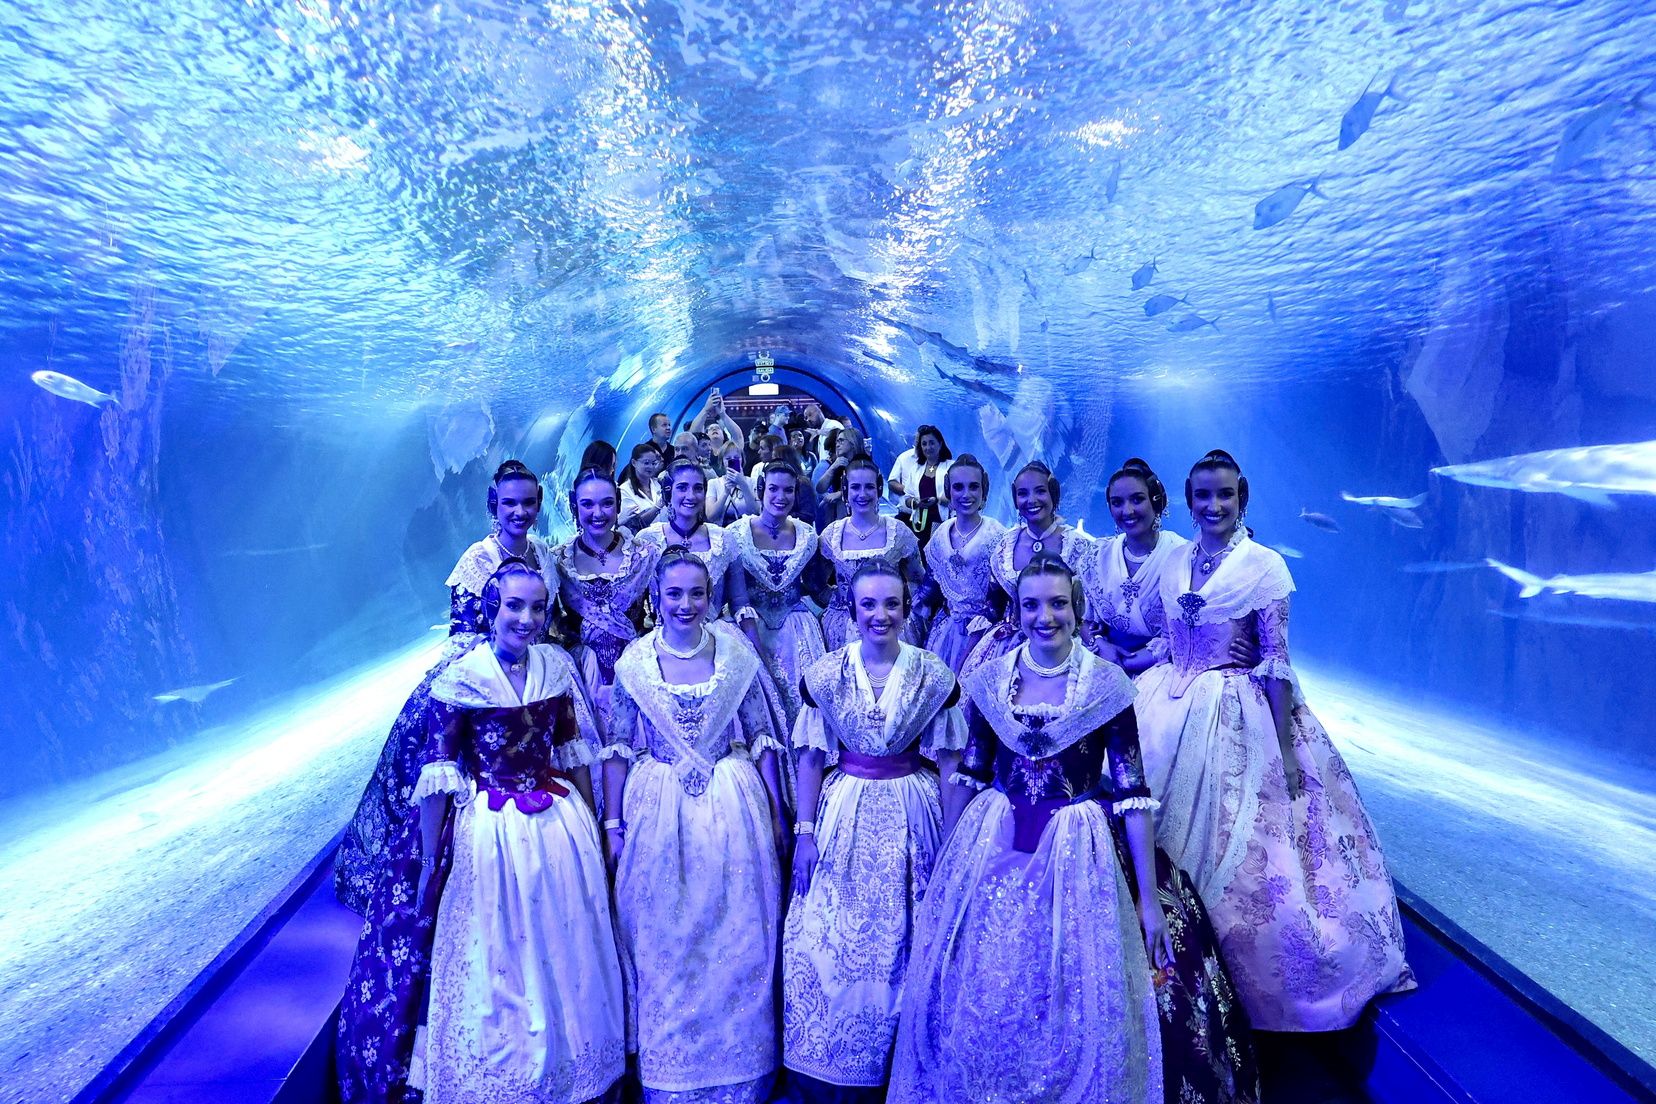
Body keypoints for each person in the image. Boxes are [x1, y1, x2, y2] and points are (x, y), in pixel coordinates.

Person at [1134, 450, 1414, 1031]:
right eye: (1203, 496)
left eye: (1225, 496)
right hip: (1165, 705)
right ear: (1187, 501)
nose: (1213, 506)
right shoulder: (1173, 561)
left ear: (1243, 499)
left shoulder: (1266, 566)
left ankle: (1240, 988)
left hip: (1237, 714)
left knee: (1251, 855)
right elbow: (1164, 639)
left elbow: (1277, 661)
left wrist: (1287, 751)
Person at [888, 556, 1167, 1104]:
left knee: (1063, 980)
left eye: (1058, 603)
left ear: (1077, 606)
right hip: (995, 839)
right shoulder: (991, 681)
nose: (1046, 616)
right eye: (1032, 604)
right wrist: (948, 862)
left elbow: (1133, 795)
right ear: (1016, 611)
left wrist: (1149, 897)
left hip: (1073, 848)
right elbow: (970, 772)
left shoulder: (1108, 688)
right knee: (986, 975)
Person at [336, 560, 614, 1104]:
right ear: (492, 609)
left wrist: (596, 823)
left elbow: (572, 750)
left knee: (563, 943)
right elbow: (440, 774)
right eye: (514, 606)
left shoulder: (555, 670)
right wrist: (425, 858)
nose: (526, 618)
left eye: (537, 607)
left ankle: (569, 1059)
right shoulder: (462, 679)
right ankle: (501, 1071)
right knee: (496, 948)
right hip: (488, 829)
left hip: (557, 824)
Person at [603, 549, 790, 1104]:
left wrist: (780, 812)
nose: (686, 604)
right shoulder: (634, 663)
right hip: (659, 809)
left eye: (696, 593)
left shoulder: (735, 656)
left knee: (737, 935)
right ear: (655, 598)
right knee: (666, 935)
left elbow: (761, 738)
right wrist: (612, 823)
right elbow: (616, 747)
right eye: (673, 594)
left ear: (710, 596)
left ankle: (743, 1063)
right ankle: (670, 1068)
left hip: (733, 811)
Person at [335, 460, 560, 916]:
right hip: (480, 682)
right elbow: (462, 634)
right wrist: (500, 671)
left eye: (528, 502)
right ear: (494, 505)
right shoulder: (477, 560)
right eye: (510, 503)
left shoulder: (543, 552)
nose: (520, 512)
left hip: (536, 676)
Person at [783, 562, 966, 1101]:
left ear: (906, 610)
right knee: (826, 940)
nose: (880, 614)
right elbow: (812, 758)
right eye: (869, 605)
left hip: (914, 807)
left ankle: (901, 1068)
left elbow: (952, 764)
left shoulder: (932, 674)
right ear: (853, 610)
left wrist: (951, 844)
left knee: (906, 939)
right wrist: (806, 833)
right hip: (844, 809)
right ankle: (834, 1069)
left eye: (891, 604)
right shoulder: (828, 673)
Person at [961, 460, 1094, 677]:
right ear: (1015, 500)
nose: (1031, 500)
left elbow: (1087, 609)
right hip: (1005, 645)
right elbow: (993, 606)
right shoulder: (1005, 545)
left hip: (1061, 645)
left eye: (1040, 491)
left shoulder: (1077, 546)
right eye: (1023, 493)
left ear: (1053, 494)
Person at [553, 467, 658, 721]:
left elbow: (662, 619)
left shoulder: (644, 555)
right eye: (587, 504)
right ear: (574, 506)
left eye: (607, 503)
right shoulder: (557, 560)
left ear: (618, 504)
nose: (598, 514)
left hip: (637, 668)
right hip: (581, 676)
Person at [728, 462, 827, 725]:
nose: (780, 497)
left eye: (788, 490)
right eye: (773, 489)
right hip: (750, 628)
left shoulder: (807, 535)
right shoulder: (735, 534)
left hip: (796, 630)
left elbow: (817, 586)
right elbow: (732, 595)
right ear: (761, 489)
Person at [1080, 458, 1189, 674]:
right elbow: (1084, 622)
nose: (1127, 511)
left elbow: (1184, 635)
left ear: (1156, 502)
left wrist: (1126, 663)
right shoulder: (1097, 556)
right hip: (1103, 659)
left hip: (1163, 669)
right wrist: (1101, 644)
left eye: (1137, 500)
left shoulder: (1182, 556)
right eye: (1117, 502)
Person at [818, 457, 926, 651]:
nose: (862, 494)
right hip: (843, 628)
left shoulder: (898, 532)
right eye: (855, 487)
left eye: (869, 487)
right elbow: (815, 584)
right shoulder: (831, 535)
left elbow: (917, 579)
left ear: (878, 489)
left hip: (890, 625)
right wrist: (841, 601)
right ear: (845, 491)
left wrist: (900, 607)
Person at [920, 455, 1008, 672]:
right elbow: (932, 583)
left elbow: (999, 598)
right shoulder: (941, 532)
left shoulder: (996, 536)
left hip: (982, 634)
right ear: (949, 492)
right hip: (944, 630)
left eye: (973, 487)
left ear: (983, 492)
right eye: (958, 487)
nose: (966, 495)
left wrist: (978, 636)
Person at [636, 456, 741, 620]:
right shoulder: (647, 540)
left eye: (698, 488)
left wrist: (755, 645)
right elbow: (636, 605)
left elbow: (740, 602)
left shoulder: (724, 539)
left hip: (714, 634)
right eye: (682, 488)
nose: (691, 496)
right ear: (668, 492)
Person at [888, 425, 952, 544]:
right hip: (918, 524)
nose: (928, 447)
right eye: (924, 444)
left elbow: (955, 495)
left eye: (932, 443)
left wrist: (937, 500)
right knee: (918, 557)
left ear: (940, 443)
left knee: (935, 557)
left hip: (940, 524)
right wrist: (915, 503)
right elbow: (907, 497)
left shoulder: (951, 467)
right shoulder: (916, 469)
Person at [812, 429, 866, 529]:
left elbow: (866, 490)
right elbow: (820, 488)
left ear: (852, 443)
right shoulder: (839, 466)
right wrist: (832, 467)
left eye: (841, 441)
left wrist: (841, 494)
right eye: (837, 441)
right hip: (839, 518)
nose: (837, 444)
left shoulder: (865, 465)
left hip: (860, 518)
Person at [619, 442, 666, 533]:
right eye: (646, 463)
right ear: (634, 463)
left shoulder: (658, 484)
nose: (651, 467)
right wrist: (658, 506)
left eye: (653, 463)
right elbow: (632, 524)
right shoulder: (625, 490)